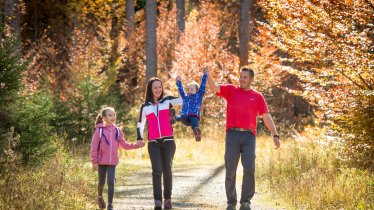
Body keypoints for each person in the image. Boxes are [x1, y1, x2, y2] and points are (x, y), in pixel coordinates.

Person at [205, 67, 280, 210]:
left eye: (245, 77)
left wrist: (274, 134)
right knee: (231, 169)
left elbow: (266, 116)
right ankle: (231, 202)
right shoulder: (231, 90)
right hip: (232, 134)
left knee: (249, 168)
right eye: (241, 76)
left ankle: (245, 202)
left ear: (251, 79)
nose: (242, 79)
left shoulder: (257, 96)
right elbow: (214, 88)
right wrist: (208, 75)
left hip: (249, 136)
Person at [137, 77, 183, 210]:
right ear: (150, 90)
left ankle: (167, 199)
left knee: (167, 170)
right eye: (155, 87)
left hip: (168, 141)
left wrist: (179, 84)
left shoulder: (167, 101)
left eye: (160, 87)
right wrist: (139, 138)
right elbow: (140, 124)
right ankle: (157, 201)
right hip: (153, 143)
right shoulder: (145, 106)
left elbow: (181, 100)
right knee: (157, 171)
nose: (158, 89)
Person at [90, 107, 144, 210]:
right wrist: (94, 162)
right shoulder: (99, 131)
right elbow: (93, 147)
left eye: (114, 114)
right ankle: (100, 196)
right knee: (101, 182)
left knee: (110, 181)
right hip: (101, 162)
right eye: (110, 115)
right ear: (104, 118)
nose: (113, 117)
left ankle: (110, 204)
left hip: (113, 161)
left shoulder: (117, 131)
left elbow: (124, 144)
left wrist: (137, 145)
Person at [171, 72, 208, 141]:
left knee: (194, 122)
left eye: (192, 90)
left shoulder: (198, 96)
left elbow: (203, 86)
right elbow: (181, 90)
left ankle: (196, 132)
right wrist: (178, 82)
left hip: (193, 116)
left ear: (197, 91)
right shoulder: (185, 97)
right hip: (185, 117)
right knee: (181, 116)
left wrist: (205, 75)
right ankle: (173, 118)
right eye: (188, 89)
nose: (189, 91)